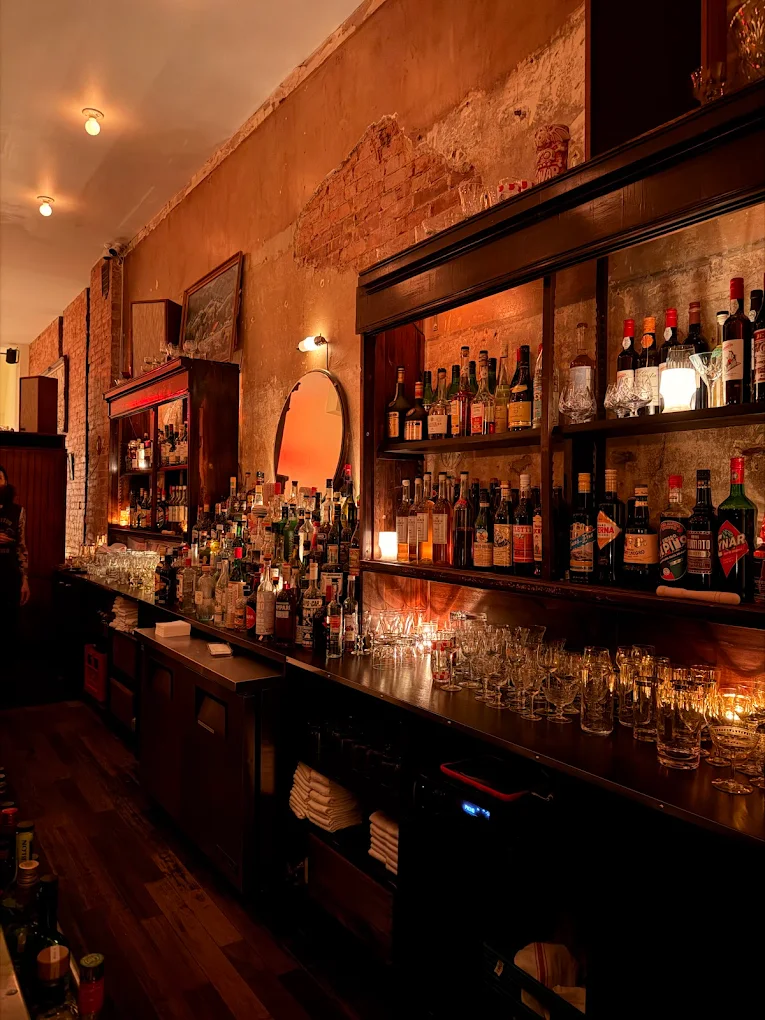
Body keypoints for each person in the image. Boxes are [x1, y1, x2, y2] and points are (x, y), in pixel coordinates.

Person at [0, 466, 30, 639]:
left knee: (9, 626)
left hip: (9, 576)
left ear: (6, 482)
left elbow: (21, 547)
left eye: (0, 479)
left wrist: (25, 580)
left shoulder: (18, 511)